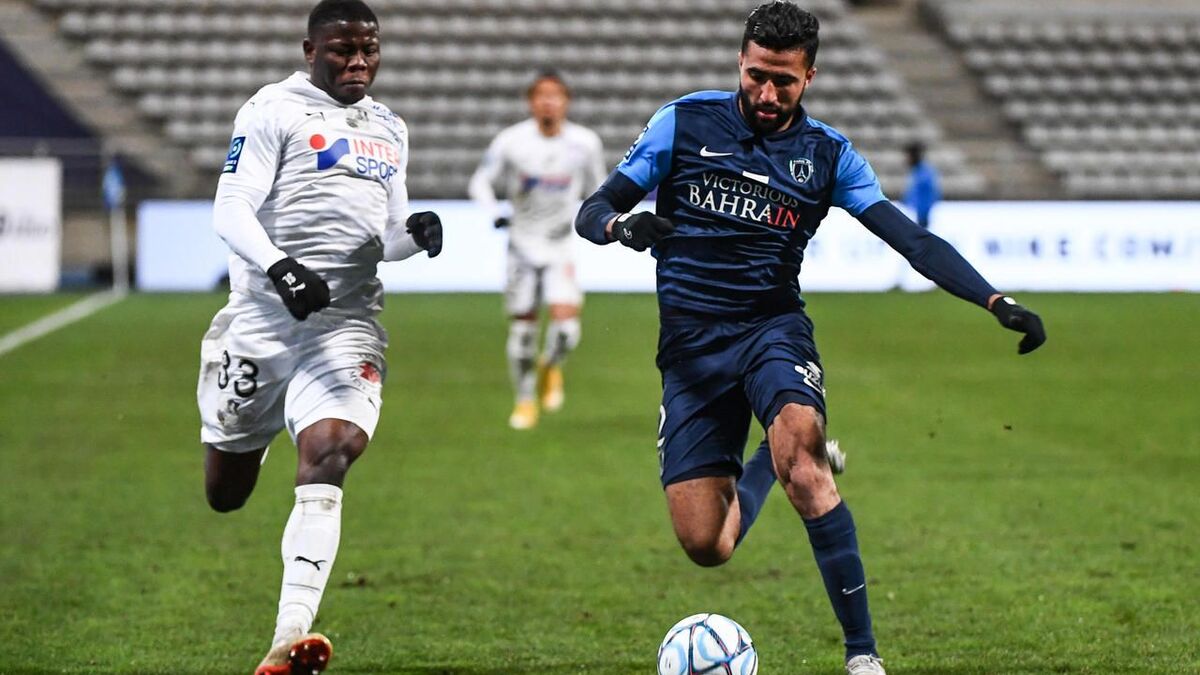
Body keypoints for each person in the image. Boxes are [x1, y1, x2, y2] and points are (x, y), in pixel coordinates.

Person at [575, 3, 1045, 674]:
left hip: (772, 331)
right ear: (741, 62)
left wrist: (994, 299)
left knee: (806, 464)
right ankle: (769, 458)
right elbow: (591, 210)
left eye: (784, 82)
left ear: (810, 77)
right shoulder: (682, 122)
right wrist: (622, 229)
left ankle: (863, 656)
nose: (767, 95)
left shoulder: (829, 155)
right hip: (691, 352)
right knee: (709, 543)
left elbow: (909, 239)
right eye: (757, 76)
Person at [195, 2, 443, 673]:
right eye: (343, 50)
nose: (358, 61)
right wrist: (279, 267)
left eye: (369, 49)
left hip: (345, 322)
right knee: (226, 491)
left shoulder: (390, 127)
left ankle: (287, 637)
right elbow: (231, 206)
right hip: (261, 321)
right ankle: (266, 422)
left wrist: (413, 237)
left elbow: (384, 236)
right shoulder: (272, 110)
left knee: (334, 448)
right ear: (311, 50)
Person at [468, 71, 605, 430]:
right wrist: (495, 212)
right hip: (521, 247)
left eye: (555, 96)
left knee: (566, 330)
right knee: (524, 332)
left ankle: (551, 365)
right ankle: (526, 399)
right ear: (531, 102)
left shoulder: (584, 143)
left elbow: (599, 188)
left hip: (560, 245)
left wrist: (596, 218)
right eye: (541, 96)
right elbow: (480, 182)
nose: (548, 102)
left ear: (566, 101)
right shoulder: (512, 141)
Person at [903, 141, 941, 228]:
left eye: (908, 156)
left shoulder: (924, 173)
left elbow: (930, 194)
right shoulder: (916, 171)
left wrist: (921, 212)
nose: (906, 159)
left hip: (922, 214)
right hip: (915, 213)